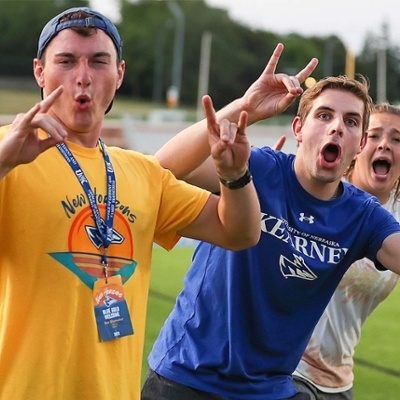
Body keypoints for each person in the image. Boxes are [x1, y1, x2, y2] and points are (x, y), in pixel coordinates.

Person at [0, 7, 263, 400]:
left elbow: (240, 232)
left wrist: (234, 174)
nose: (83, 76)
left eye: (99, 62)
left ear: (120, 73)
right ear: (40, 71)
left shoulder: (143, 173)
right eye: (66, 61)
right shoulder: (9, 151)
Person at [142, 44, 400, 400]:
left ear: (358, 147)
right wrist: (244, 107)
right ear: (299, 128)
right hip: (187, 377)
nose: (337, 127)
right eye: (324, 115)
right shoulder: (260, 167)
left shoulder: (363, 215)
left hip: (270, 390)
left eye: (352, 121)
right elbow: (159, 169)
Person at [292, 102, 400, 400]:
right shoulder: (317, 197)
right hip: (288, 372)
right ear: (359, 144)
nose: (385, 146)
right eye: (375, 135)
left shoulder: (393, 224)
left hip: (338, 384)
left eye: (397, 139)